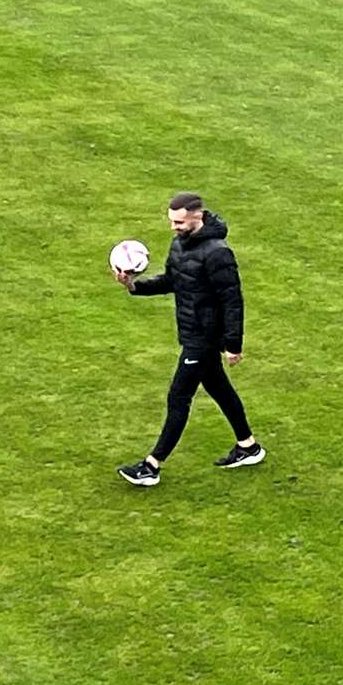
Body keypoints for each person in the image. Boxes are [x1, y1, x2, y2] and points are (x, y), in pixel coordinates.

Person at [112, 192, 265, 485]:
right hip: (191, 331)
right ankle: (248, 446)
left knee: (178, 396)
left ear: (198, 216)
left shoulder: (218, 253)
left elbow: (233, 300)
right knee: (219, 389)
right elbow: (172, 281)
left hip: (204, 338)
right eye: (171, 221)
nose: (174, 227)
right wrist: (133, 286)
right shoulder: (179, 244)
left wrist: (233, 344)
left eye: (179, 222)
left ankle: (151, 466)